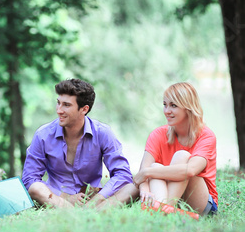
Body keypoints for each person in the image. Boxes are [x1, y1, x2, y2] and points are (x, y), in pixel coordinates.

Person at [22, 78, 133, 208]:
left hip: (93, 199)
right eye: (58, 103)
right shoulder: (43, 135)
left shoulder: (102, 133)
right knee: (35, 188)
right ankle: (71, 212)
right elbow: (29, 179)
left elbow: (123, 174)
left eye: (66, 105)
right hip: (56, 199)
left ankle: (94, 211)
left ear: (84, 109)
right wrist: (64, 197)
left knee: (132, 188)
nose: (59, 110)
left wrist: (98, 198)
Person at [127, 82, 217, 216]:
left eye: (173, 105)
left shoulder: (206, 136)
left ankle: (162, 212)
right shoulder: (157, 135)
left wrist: (148, 172)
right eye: (165, 105)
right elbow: (143, 172)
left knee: (181, 156)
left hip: (201, 204)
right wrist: (144, 189)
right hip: (167, 195)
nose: (166, 111)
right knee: (155, 166)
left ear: (188, 108)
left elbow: (190, 170)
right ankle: (165, 212)